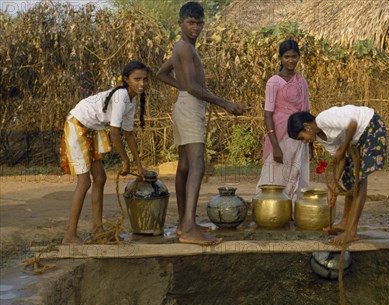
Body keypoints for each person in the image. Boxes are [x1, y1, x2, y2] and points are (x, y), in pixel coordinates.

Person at [156, 1, 246, 246]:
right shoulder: (184, 48)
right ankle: (187, 230)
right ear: (181, 23)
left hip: (186, 104)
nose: (195, 27)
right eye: (190, 22)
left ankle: (186, 224)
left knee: (185, 166)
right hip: (190, 107)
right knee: (197, 165)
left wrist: (183, 88)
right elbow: (195, 88)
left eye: (199, 22)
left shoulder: (183, 48)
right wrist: (225, 103)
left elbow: (161, 74)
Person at [60, 60, 150, 244]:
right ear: (126, 79)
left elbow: (129, 134)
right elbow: (115, 133)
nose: (142, 83)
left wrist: (139, 165)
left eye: (145, 79)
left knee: (100, 178)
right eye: (137, 79)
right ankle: (69, 235)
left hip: (91, 128)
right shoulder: (121, 97)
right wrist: (125, 161)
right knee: (84, 183)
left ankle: (97, 229)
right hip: (77, 124)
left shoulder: (132, 100)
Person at [287, 106, 386, 245]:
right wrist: (332, 188)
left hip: (371, 126)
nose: (304, 142)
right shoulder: (322, 139)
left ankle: (351, 232)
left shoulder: (323, 119)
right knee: (349, 181)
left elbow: (352, 124)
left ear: (307, 127)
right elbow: (340, 160)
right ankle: (345, 223)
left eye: (302, 138)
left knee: (359, 182)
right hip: (356, 140)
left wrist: (344, 147)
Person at [257, 39, 310, 203]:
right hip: (279, 135)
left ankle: (293, 210)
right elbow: (267, 114)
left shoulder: (302, 82)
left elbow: (306, 113)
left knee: (296, 175)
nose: (291, 61)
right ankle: (269, 210)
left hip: (299, 136)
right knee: (275, 175)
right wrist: (275, 146)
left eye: (294, 56)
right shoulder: (274, 82)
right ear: (280, 58)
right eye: (286, 57)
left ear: (298, 57)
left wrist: (311, 143)